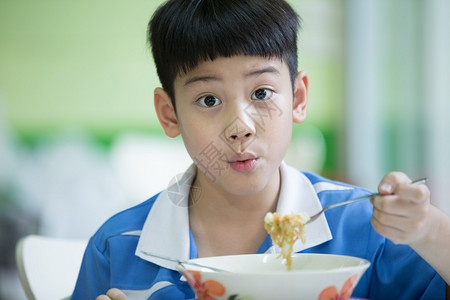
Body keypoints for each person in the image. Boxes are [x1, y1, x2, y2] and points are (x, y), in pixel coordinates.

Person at [72, 0, 450, 299]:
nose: (241, 127)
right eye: (208, 99)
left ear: (298, 98)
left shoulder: (367, 230)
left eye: (262, 93)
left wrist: (429, 229)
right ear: (169, 114)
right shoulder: (116, 248)